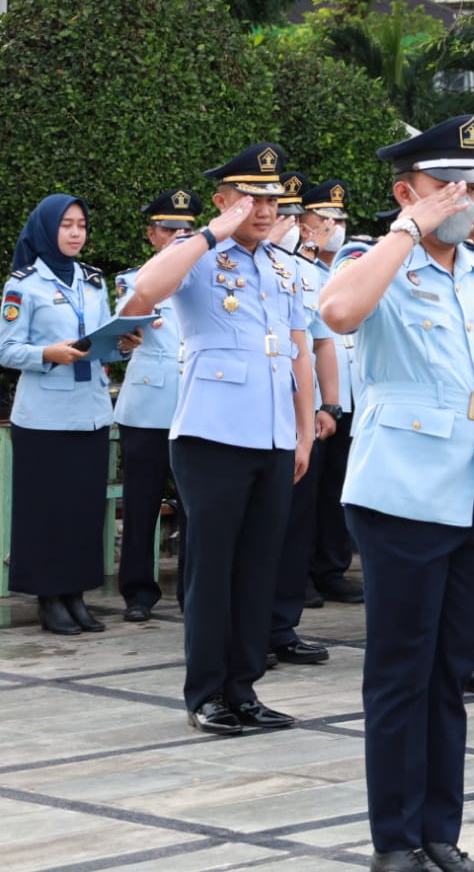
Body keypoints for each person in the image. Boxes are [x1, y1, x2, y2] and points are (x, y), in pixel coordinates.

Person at [319, 114, 474, 872]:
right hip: (400, 493)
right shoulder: (381, 261)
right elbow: (336, 314)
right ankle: (395, 842)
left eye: (471, 185)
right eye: (445, 186)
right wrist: (407, 229)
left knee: (450, 673)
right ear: (406, 192)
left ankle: (441, 834)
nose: (464, 199)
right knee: (400, 673)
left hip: (471, 495)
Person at [133, 142, 314, 735]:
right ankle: (206, 692)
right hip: (211, 435)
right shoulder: (198, 257)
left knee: (259, 567)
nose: (263, 209)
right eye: (249, 197)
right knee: (211, 569)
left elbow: (299, 350)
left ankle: (243, 688)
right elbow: (145, 293)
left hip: (272, 435)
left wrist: (305, 429)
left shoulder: (282, 267)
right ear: (222, 200)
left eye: (272, 197)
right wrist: (210, 235)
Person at [2, 193, 127, 635]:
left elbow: (101, 338)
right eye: (66, 225)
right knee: (46, 511)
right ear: (46, 229)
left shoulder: (93, 281)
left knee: (81, 510)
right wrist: (47, 354)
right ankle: (48, 598)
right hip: (44, 416)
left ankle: (75, 595)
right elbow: (6, 348)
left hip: (91, 411)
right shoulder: (23, 284)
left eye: (81, 225)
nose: (76, 233)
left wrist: (123, 343)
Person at [113, 189, 196, 623]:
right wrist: (126, 342)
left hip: (196, 406)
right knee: (142, 500)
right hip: (147, 404)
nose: (179, 236)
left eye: (187, 229)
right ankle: (137, 592)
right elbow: (121, 332)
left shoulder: (211, 278)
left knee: (195, 506)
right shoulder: (134, 279)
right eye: (169, 229)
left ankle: (191, 590)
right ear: (152, 235)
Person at [266, 173, 337, 665]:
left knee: (294, 527)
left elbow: (320, 342)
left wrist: (326, 407)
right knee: (257, 531)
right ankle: (246, 629)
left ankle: (281, 625)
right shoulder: (229, 265)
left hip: (299, 417)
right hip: (253, 415)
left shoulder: (307, 273)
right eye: (284, 214)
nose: (289, 224)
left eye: (292, 215)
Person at [301, 179, 365, 606]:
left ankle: (331, 567)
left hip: (351, 394)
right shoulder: (298, 266)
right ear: (304, 223)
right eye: (323, 219)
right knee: (306, 488)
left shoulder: (351, 265)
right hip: (313, 397)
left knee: (337, 488)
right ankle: (300, 569)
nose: (332, 226)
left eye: (338, 219)